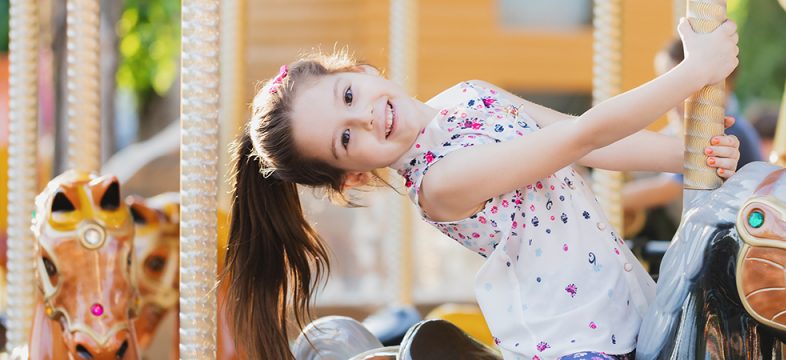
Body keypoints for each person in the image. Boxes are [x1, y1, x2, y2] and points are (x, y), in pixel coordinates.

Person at [224, 18, 739, 360]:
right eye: (344, 138)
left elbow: (589, 144)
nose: (364, 117)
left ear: (359, 69)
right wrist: (694, 72)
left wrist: (690, 156)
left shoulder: (470, 95)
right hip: (576, 341)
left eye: (350, 94)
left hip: (626, 302)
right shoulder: (438, 184)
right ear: (354, 176)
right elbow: (582, 135)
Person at [622, 38, 763, 237]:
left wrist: (608, 197)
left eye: (678, 87)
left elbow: (667, 188)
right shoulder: (682, 129)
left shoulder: (727, 130)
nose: (670, 99)